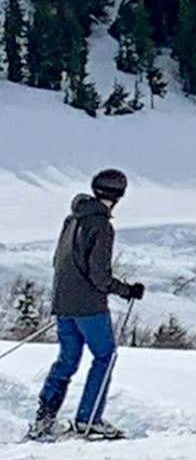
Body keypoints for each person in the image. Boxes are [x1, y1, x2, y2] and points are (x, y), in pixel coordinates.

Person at [30, 169, 146, 440]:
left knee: (67, 359)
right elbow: (99, 275)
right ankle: (89, 419)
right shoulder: (102, 226)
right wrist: (126, 290)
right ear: (119, 195)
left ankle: (44, 417)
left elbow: (58, 260)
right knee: (105, 356)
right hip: (89, 306)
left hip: (63, 302)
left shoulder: (72, 219)